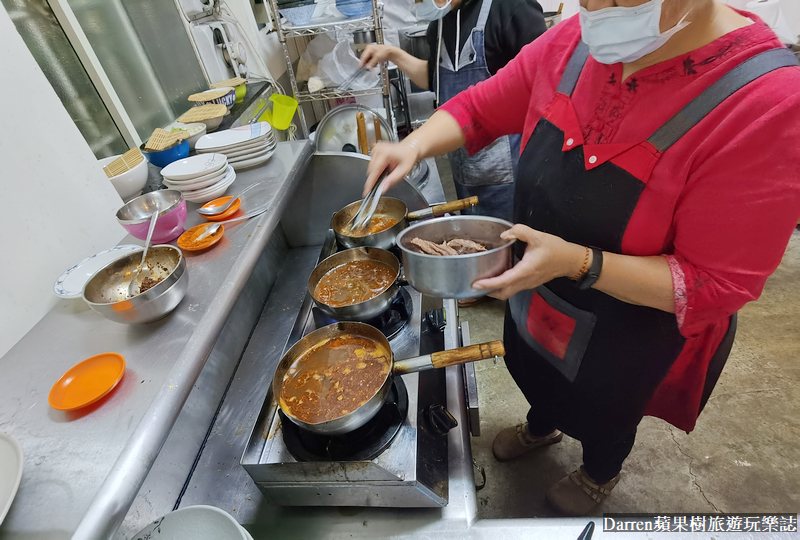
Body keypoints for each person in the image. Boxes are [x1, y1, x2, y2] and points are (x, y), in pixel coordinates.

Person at [363, 0, 800, 515]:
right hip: (539, 289)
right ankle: (542, 424)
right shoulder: (576, 40)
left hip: (631, 324)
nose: (591, 7)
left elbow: (713, 284)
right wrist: (414, 145)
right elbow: (481, 106)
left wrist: (579, 263)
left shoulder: (766, 102)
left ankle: (599, 472)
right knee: (532, 366)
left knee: (608, 407)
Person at [359, 0, 548, 221]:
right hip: (465, 174)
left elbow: (546, 85)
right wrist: (392, 54)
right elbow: (435, 78)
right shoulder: (439, 25)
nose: (420, 2)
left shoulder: (510, 7)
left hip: (514, 179)